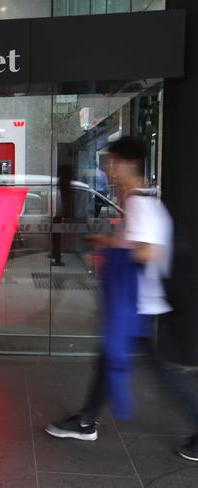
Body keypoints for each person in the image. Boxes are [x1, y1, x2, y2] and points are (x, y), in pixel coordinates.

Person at [45, 136, 198, 461]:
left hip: (139, 308)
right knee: (108, 360)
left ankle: (86, 421)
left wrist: (108, 244)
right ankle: (86, 421)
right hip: (136, 307)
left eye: (111, 162)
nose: (108, 170)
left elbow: (147, 252)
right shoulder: (137, 202)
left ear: (126, 164)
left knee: (159, 373)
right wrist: (110, 242)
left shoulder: (141, 204)